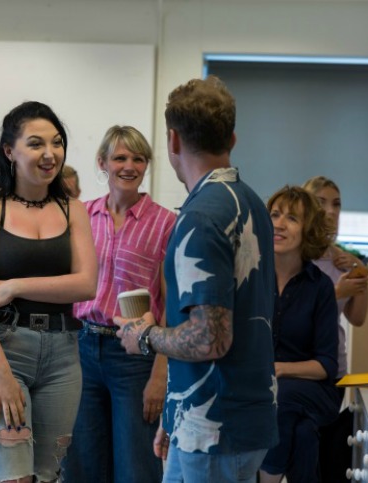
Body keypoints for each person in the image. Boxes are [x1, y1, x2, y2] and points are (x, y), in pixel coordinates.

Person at [115, 76, 278, 483]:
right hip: (219, 419)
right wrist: (174, 413)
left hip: (216, 427)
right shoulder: (251, 202)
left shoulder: (201, 217)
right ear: (233, 138)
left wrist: (145, 336)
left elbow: (211, 338)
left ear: (172, 141)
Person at [0, 101, 97, 483]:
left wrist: (15, 286)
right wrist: (1, 373)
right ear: (9, 151)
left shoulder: (73, 210)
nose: (49, 154)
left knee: (46, 476)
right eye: (35, 144)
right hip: (1, 351)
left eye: (57, 143)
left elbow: (86, 284)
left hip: (63, 356)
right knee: (10, 477)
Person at [62, 125, 176, 483]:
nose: (129, 166)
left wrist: (160, 375)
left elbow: (171, 303)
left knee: (135, 467)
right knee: (80, 463)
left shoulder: (166, 223)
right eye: (120, 157)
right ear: (103, 162)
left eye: (138, 158)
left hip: (134, 357)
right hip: (80, 349)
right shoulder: (79, 215)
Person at [259, 185, 341, 483]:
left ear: (308, 230)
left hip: (313, 390)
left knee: (282, 398)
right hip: (262, 386)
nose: (279, 224)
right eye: (275, 214)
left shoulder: (320, 287)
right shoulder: (252, 279)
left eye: (292, 218)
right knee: (304, 434)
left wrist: (278, 369)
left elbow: (326, 366)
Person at [303, 175, 368, 482]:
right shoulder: (296, 257)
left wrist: (361, 274)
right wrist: (337, 292)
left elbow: (357, 318)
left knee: (330, 462)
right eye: (321, 203)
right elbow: (292, 311)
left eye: (337, 204)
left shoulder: (341, 260)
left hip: (335, 371)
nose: (331, 212)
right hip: (300, 370)